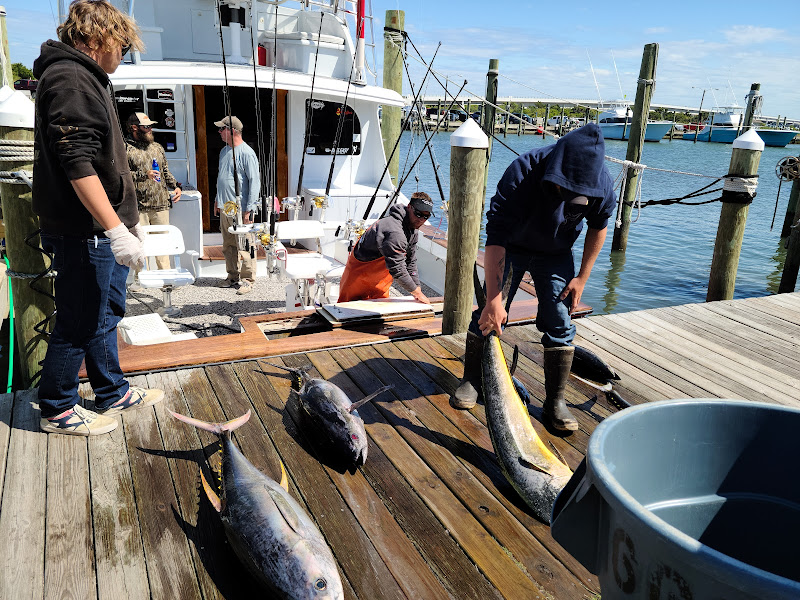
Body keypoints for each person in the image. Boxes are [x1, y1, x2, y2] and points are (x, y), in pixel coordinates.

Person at [32, 0, 164, 436]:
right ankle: (57, 407)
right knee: (81, 317)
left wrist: (127, 221)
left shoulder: (86, 77)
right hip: (83, 231)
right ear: (97, 39)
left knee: (106, 310)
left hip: (100, 229)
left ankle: (112, 391)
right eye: (121, 44)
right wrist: (113, 228)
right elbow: (78, 163)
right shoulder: (71, 78)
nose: (124, 53)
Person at [450, 124, 616, 434]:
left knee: (560, 322)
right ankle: (471, 379)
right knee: (489, 314)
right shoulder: (523, 171)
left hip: (556, 253)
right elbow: (496, 235)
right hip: (512, 247)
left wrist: (582, 277)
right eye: (559, 189)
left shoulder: (601, 184)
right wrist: (495, 300)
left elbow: (599, 227)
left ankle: (555, 401)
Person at [337, 192, 434, 304]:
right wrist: (417, 293)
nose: (421, 219)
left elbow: (410, 261)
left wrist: (417, 287)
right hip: (358, 278)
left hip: (380, 282)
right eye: (418, 214)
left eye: (426, 216)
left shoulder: (413, 229)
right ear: (409, 207)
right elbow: (397, 269)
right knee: (349, 311)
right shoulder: (394, 231)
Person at [126, 111, 182, 284]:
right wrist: (145, 174)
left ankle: (166, 278)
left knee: (162, 244)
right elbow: (123, 176)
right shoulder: (124, 148)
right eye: (146, 126)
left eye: (151, 126)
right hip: (138, 206)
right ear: (134, 128)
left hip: (160, 204)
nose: (150, 129)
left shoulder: (157, 147)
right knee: (140, 246)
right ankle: (141, 279)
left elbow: (164, 172)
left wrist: (177, 186)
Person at [213, 115, 260, 295]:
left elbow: (254, 182)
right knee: (228, 244)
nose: (219, 132)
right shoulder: (224, 151)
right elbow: (221, 178)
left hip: (241, 209)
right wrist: (218, 199)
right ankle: (232, 275)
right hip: (226, 207)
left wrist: (249, 209)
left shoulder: (247, 153)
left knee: (246, 244)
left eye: (221, 129)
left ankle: (248, 279)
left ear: (233, 131)